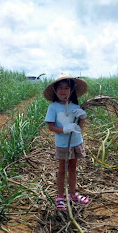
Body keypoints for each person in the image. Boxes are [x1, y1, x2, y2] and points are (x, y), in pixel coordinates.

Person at [44, 74, 90, 211]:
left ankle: (73, 195)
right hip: (63, 144)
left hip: (76, 142)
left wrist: (82, 117)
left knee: (73, 169)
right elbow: (51, 127)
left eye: (66, 88)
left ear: (72, 90)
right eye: (60, 88)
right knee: (62, 170)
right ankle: (60, 197)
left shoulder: (75, 106)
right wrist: (64, 129)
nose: (63, 91)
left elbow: (79, 128)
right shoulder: (53, 107)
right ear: (55, 90)